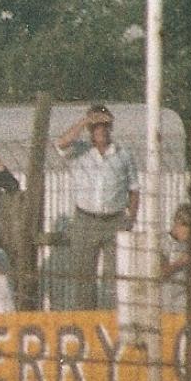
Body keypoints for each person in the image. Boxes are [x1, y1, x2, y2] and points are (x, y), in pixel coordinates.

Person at [55, 104, 140, 309]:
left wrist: (130, 219)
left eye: (104, 125)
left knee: (114, 278)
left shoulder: (123, 155)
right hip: (85, 220)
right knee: (84, 277)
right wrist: (86, 120)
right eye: (96, 126)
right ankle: (87, 319)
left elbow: (134, 189)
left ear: (111, 127)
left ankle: (111, 318)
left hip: (115, 220)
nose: (100, 130)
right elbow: (60, 143)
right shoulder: (79, 151)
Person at [160, 203, 191, 313]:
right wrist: (179, 263)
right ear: (178, 223)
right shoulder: (162, 242)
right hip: (163, 296)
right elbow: (159, 273)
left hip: (182, 296)